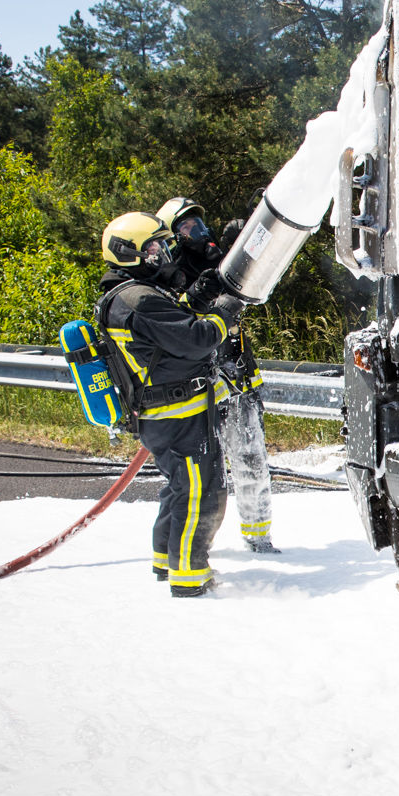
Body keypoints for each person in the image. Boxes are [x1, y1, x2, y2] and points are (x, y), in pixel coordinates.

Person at [97, 212, 242, 598]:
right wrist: (225, 312)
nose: (162, 253)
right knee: (201, 494)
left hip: (169, 413)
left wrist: (199, 296)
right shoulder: (138, 300)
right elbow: (196, 338)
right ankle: (189, 577)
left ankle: (165, 559)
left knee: (181, 488)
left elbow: (170, 326)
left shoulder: (133, 295)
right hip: (178, 416)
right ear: (128, 253)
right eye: (153, 247)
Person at [157, 196, 279, 555]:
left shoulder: (220, 263)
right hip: (203, 386)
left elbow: (259, 269)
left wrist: (257, 227)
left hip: (237, 376)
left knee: (251, 458)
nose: (199, 232)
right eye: (188, 227)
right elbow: (176, 329)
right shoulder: (169, 279)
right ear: (173, 238)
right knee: (201, 472)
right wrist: (194, 296)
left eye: (200, 223)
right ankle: (192, 542)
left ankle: (258, 537)